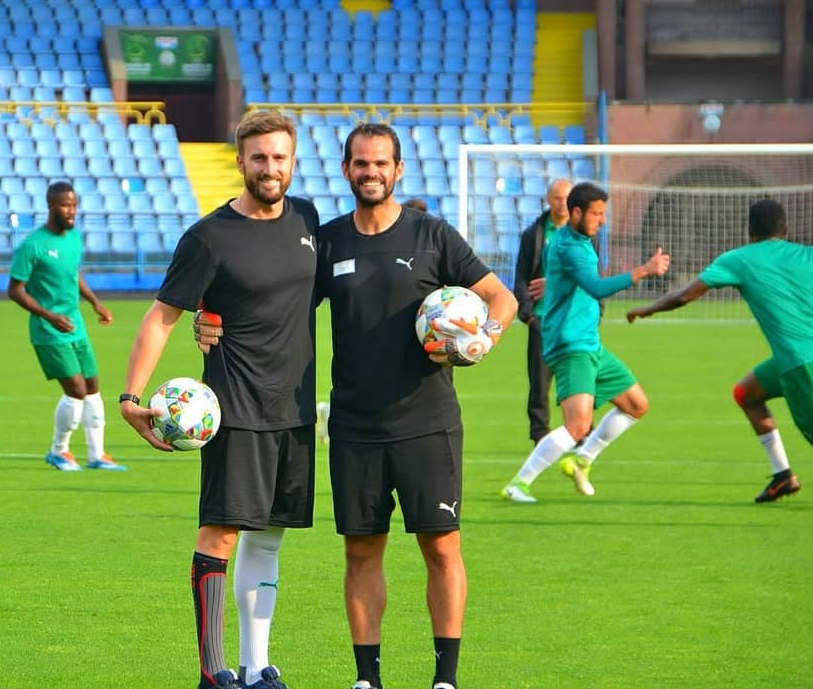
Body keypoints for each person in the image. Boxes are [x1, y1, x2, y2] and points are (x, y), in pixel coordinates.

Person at [196, 124, 515, 688]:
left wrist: (483, 338)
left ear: (398, 171)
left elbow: (501, 296)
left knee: (442, 549)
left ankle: (445, 680)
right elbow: (272, 290)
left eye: (381, 164)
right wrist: (207, 313)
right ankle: (367, 679)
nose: (371, 173)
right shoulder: (329, 240)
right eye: (361, 164)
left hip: (428, 423)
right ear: (347, 170)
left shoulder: (433, 236)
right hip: (353, 427)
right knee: (362, 553)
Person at [120, 111, 318, 689]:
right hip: (234, 407)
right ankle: (213, 670)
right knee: (222, 534)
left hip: (296, 409)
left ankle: (259, 668)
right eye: (259, 157)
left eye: (279, 157)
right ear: (240, 161)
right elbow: (161, 317)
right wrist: (132, 396)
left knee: (270, 535)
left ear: (292, 160)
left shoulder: (307, 221)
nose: (270, 168)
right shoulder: (208, 237)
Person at [627, 198, 813, 502]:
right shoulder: (811, 255)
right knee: (746, 393)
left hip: (801, 365)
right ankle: (783, 475)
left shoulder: (737, 259)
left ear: (749, 230)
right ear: (785, 229)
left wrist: (648, 309)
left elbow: (685, 295)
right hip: (805, 356)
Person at [501, 182, 670, 503]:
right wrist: (644, 270)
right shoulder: (572, 247)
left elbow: (567, 274)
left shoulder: (569, 240)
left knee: (636, 405)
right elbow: (596, 287)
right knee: (577, 426)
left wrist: (556, 281)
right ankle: (518, 484)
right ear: (577, 212)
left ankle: (582, 460)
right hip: (571, 345)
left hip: (589, 343)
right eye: (597, 213)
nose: (602, 220)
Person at [7, 181, 125, 472]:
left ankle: (97, 455)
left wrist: (95, 303)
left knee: (93, 387)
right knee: (76, 389)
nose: (71, 211)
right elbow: (15, 290)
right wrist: (49, 316)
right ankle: (59, 451)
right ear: (50, 206)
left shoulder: (73, 238)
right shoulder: (32, 245)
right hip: (49, 330)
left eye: (73, 205)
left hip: (76, 324)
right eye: (64, 205)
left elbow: (73, 275)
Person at [513, 178, 572, 444]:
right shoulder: (534, 234)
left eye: (566, 198)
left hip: (571, 321)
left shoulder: (582, 235)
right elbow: (522, 277)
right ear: (549, 200)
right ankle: (539, 434)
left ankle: (581, 431)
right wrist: (528, 315)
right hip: (542, 320)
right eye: (557, 198)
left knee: (575, 377)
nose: (562, 204)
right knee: (539, 383)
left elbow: (592, 277)